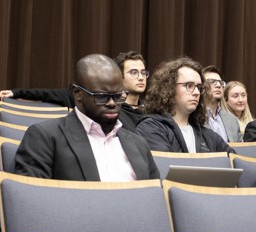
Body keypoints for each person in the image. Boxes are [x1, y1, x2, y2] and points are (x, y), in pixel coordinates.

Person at [14, 54, 159, 181]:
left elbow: (155, 198)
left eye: (118, 96)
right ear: (77, 93)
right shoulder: (45, 137)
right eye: (101, 97)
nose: (112, 103)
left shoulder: (139, 144)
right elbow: (33, 202)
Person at [136, 57, 232, 153]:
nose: (196, 92)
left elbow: (234, 160)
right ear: (169, 88)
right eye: (189, 86)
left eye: (199, 87)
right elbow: (166, 165)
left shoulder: (206, 134)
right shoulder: (150, 127)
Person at [201, 65, 241, 142]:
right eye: (212, 82)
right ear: (201, 86)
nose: (218, 85)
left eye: (220, 82)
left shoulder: (232, 120)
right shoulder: (193, 117)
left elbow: (239, 150)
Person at [113, 51, 148, 132]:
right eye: (134, 73)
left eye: (143, 73)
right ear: (119, 76)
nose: (141, 77)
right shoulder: (114, 112)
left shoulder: (150, 111)